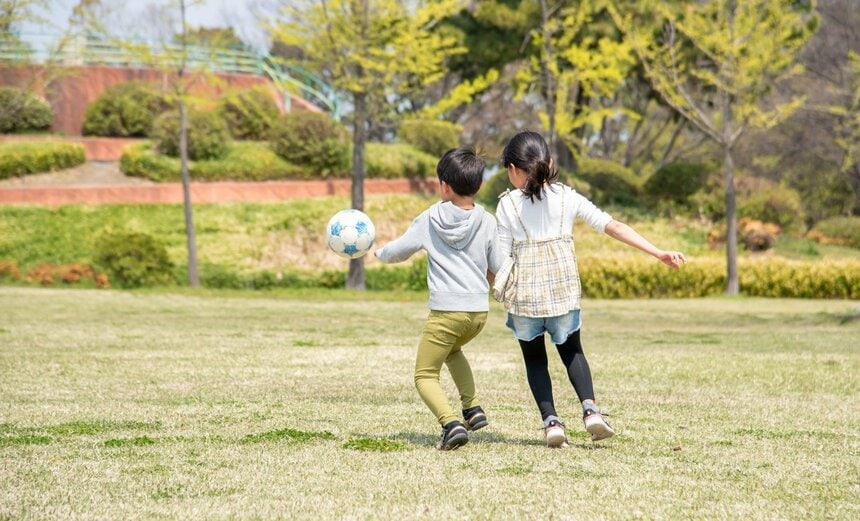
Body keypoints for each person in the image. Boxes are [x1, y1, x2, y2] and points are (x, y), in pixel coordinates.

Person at [495, 131, 686, 447]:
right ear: (550, 163)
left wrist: (492, 285)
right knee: (572, 351)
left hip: (525, 298)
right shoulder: (567, 197)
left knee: (534, 360)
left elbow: (501, 257)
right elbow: (613, 227)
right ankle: (591, 411)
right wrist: (657, 252)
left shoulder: (507, 206)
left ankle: (551, 422)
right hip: (562, 293)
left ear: (513, 169)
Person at [375, 146, 505, 451]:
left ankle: (451, 424)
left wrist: (378, 252)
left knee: (424, 375)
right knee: (452, 351)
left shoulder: (431, 217)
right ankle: (472, 409)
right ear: (479, 184)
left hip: (447, 311)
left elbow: (401, 249)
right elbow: (497, 267)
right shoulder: (486, 220)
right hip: (477, 314)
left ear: (444, 185)